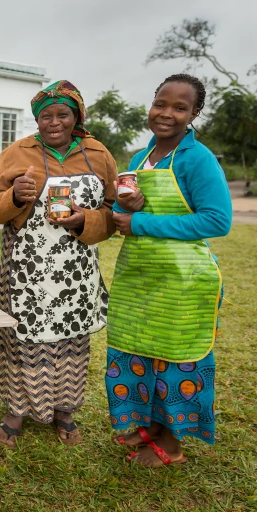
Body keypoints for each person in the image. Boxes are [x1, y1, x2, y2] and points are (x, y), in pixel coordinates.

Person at [107, 73, 232, 466]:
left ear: (194, 114)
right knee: (143, 352)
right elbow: (121, 210)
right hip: (142, 276)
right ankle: (154, 426)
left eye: (180, 108)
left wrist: (142, 223)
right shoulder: (142, 158)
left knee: (178, 357)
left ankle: (173, 445)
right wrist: (127, 208)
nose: (167, 113)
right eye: (161, 103)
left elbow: (217, 220)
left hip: (183, 281)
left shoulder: (198, 159)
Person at [0, 80, 118, 447]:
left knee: (72, 340)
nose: (54, 122)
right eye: (46, 116)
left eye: (63, 114)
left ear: (76, 117)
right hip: (26, 268)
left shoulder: (98, 153)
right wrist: (14, 196)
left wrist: (84, 222)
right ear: (37, 119)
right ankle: (16, 410)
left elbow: (114, 209)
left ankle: (65, 410)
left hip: (75, 270)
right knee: (21, 338)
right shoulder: (19, 152)